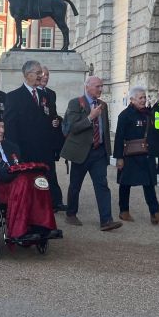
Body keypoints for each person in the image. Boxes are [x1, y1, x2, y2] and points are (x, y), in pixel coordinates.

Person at [0, 114, 61, 240]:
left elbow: (20, 165)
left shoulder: (11, 146)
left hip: (16, 183)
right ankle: (20, 231)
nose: (2, 131)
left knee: (38, 179)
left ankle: (42, 226)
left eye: (3, 127)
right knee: (24, 182)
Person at [60, 76, 122, 231]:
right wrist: (90, 117)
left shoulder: (103, 105)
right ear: (87, 87)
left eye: (101, 86)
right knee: (75, 185)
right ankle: (71, 213)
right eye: (97, 86)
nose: (100, 89)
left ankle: (106, 220)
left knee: (102, 185)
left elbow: (105, 130)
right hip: (81, 152)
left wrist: (108, 151)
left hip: (98, 152)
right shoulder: (76, 103)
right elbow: (73, 127)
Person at [114, 86, 159, 224]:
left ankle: (155, 213)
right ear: (132, 99)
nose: (143, 100)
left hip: (147, 154)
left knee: (149, 183)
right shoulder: (125, 115)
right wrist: (119, 158)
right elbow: (119, 138)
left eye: (144, 97)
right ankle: (124, 211)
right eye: (140, 98)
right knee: (125, 183)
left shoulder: (148, 113)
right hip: (130, 155)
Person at [37, 65, 66, 210]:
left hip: (49, 139)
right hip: (36, 139)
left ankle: (56, 201)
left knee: (51, 172)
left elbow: (52, 113)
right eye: (43, 74)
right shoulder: (32, 93)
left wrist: (56, 120)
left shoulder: (51, 93)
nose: (46, 77)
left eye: (47, 75)